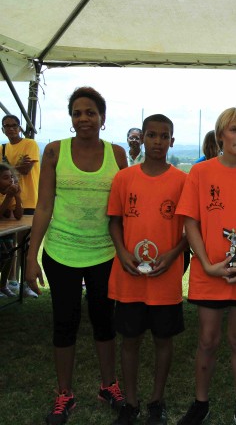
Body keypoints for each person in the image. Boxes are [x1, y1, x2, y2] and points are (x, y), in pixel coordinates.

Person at [25, 86, 128, 425]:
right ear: (71, 118)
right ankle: (64, 394)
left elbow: (122, 210)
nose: (84, 118)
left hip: (104, 254)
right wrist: (31, 257)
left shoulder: (117, 154)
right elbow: (43, 206)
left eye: (90, 112)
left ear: (102, 117)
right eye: (77, 113)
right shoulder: (55, 151)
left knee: (105, 322)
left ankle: (108, 386)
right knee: (64, 323)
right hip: (61, 253)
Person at [176, 107, 236, 425]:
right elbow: (190, 221)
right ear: (220, 135)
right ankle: (200, 403)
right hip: (210, 273)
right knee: (207, 339)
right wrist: (206, 263)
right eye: (234, 130)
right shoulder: (200, 173)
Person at [108, 114, 188, 425]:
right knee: (130, 339)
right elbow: (115, 221)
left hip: (165, 278)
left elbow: (189, 230)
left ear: (172, 140)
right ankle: (130, 403)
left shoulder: (182, 181)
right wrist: (122, 252)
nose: (157, 141)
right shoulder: (124, 178)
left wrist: (172, 255)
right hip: (130, 277)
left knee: (163, 340)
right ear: (142, 138)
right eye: (151, 135)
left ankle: (156, 400)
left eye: (163, 136)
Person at [2, 114, 40, 297]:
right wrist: (14, 166)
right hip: (7, 201)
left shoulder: (30, 144)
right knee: (10, 247)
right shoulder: (2, 148)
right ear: (3, 129)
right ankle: (11, 282)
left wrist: (8, 167)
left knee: (25, 244)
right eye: (7, 126)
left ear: (20, 128)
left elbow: (26, 169)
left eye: (14, 125)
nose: (11, 129)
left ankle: (26, 283)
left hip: (29, 200)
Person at [0, 164, 22, 298]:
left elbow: (18, 215)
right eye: (5, 178)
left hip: (5, 232)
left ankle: (3, 285)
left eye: (11, 177)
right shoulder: (6, 195)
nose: (10, 181)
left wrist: (17, 196)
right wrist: (8, 197)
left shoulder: (9, 193)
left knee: (10, 254)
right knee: (3, 256)